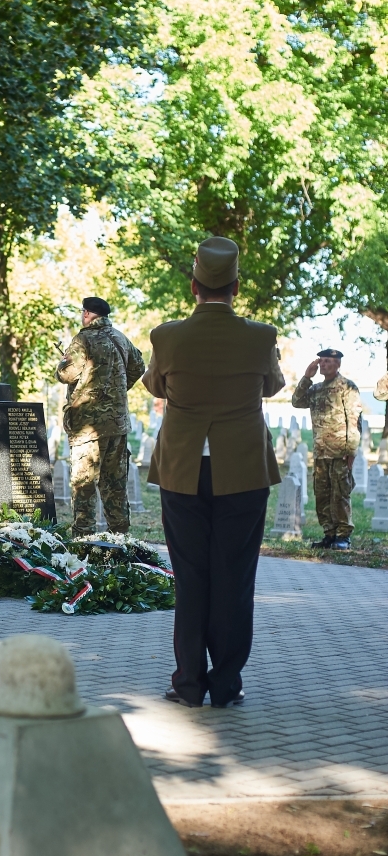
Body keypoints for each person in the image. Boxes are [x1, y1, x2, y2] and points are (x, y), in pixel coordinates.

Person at [142, 237, 284, 708]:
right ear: (236, 287)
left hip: (184, 470)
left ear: (193, 286)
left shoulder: (167, 336)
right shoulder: (261, 336)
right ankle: (225, 684)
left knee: (191, 579)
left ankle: (188, 684)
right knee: (235, 579)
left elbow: (154, 383)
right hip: (243, 470)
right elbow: (273, 384)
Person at [56, 296, 144, 536]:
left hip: (88, 428)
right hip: (117, 425)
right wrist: (116, 390)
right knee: (115, 486)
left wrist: (62, 361)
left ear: (87, 314)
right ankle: (121, 540)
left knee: (84, 486)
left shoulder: (83, 340)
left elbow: (66, 375)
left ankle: (83, 541)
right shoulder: (121, 339)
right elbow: (139, 367)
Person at [291, 349, 362, 550]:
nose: (323, 364)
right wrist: (306, 377)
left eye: (328, 361)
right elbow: (297, 402)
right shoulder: (316, 389)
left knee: (340, 494)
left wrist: (351, 451)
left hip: (340, 451)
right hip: (321, 452)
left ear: (338, 364)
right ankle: (329, 534)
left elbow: (354, 421)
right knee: (322, 494)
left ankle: (343, 536)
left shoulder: (347, 387)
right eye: (321, 361)